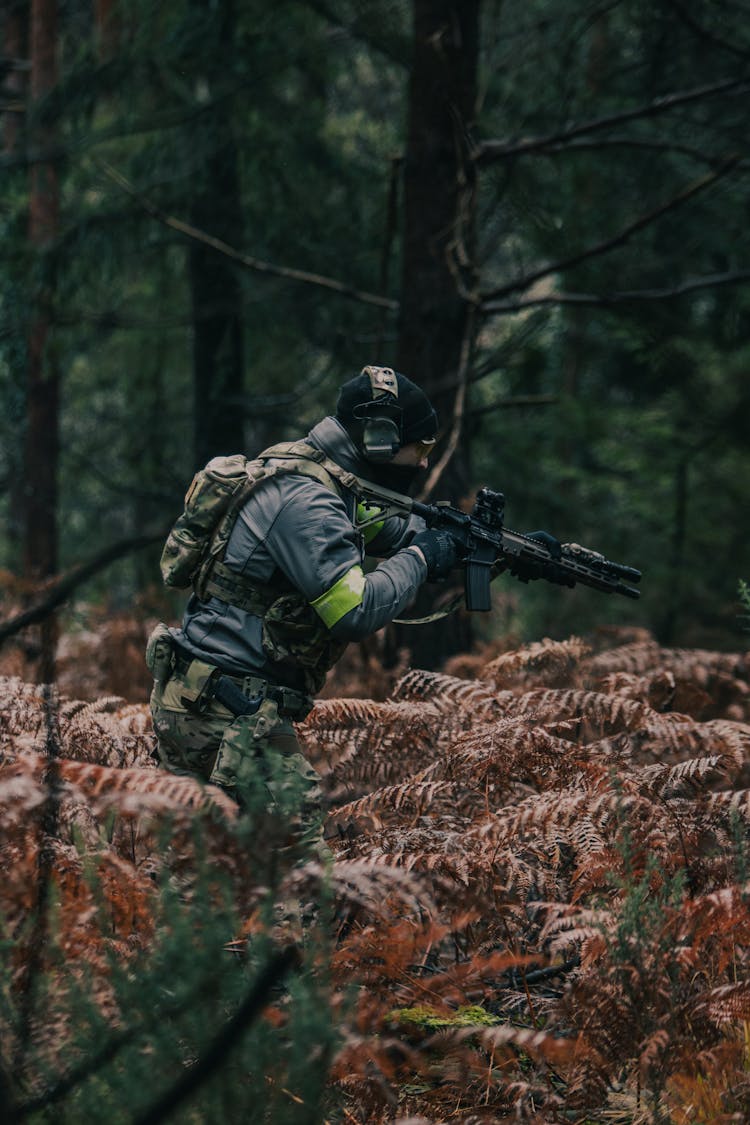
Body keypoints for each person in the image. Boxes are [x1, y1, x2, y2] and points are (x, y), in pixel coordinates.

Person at [146, 366, 458, 857]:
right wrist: (421, 560)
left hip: (207, 697)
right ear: (379, 441)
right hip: (230, 711)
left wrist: (466, 546)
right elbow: (354, 610)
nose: (421, 465)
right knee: (298, 890)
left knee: (200, 880)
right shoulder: (308, 501)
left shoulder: (313, 473)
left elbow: (381, 529)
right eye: (419, 449)